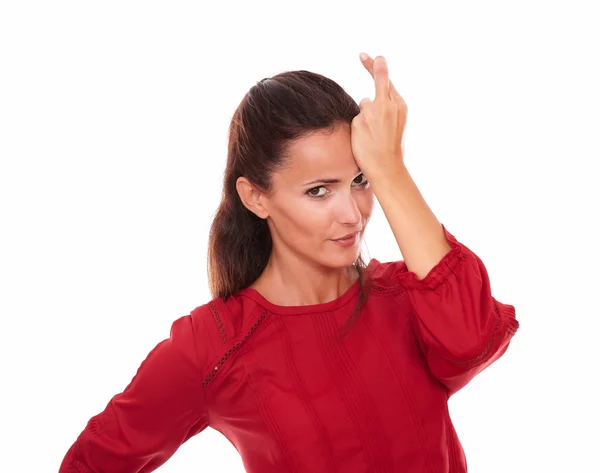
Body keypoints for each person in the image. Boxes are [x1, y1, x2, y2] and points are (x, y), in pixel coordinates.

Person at [58, 53, 519, 473]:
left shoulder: (407, 298)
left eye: (360, 180)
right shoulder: (215, 345)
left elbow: (472, 342)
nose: (352, 213)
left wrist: (391, 169)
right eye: (318, 190)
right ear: (255, 197)